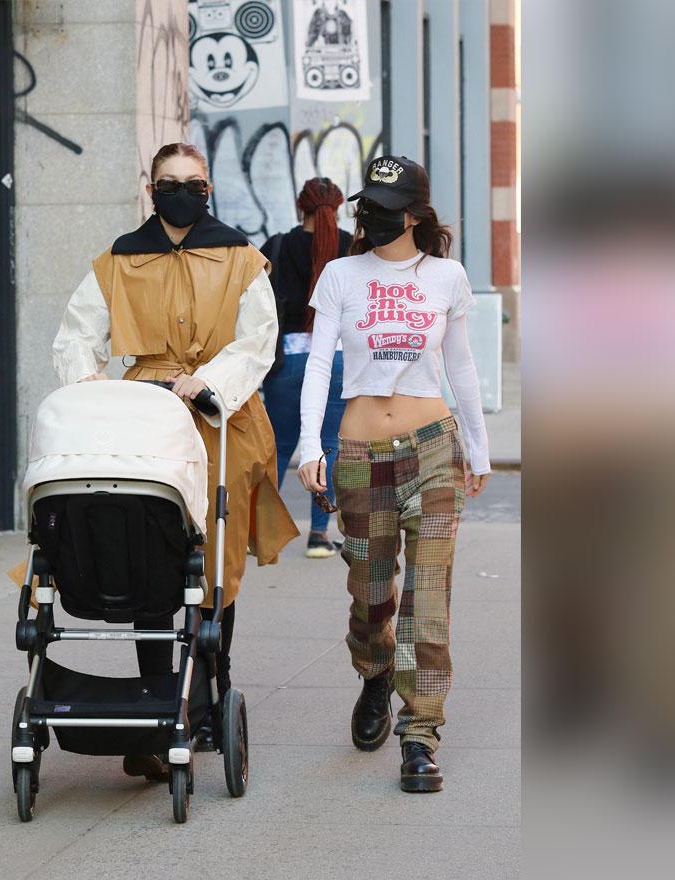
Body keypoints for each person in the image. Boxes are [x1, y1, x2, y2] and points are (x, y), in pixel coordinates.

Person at [42, 142, 298, 780]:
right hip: (143, 416)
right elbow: (76, 334)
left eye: (192, 181)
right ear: (150, 187)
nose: (181, 191)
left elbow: (258, 337)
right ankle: (158, 708)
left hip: (220, 417)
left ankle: (211, 690)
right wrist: (90, 386)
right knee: (150, 549)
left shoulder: (241, 259)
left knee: (216, 559)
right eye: (168, 181)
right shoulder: (118, 261)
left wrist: (210, 381)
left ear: (208, 187)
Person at [296, 155, 490, 792]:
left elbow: (461, 368)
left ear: (414, 213)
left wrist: (479, 448)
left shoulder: (447, 278)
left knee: (427, 597)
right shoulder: (341, 276)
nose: (371, 217)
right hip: (359, 454)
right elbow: (319, 364)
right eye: (366, 206)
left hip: (433, 447)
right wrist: (308, 445)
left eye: (384, 207)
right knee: (369, 592)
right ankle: (375, 671)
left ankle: (421, 734)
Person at [261, 178, 353, 557]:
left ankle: (261, 535)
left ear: (301, 208)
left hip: (288, 357)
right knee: (328, 446)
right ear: (338, 206)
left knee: (279, 448)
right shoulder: (352, 247)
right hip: (336, 357)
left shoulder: (279, 245)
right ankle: (319, 534)